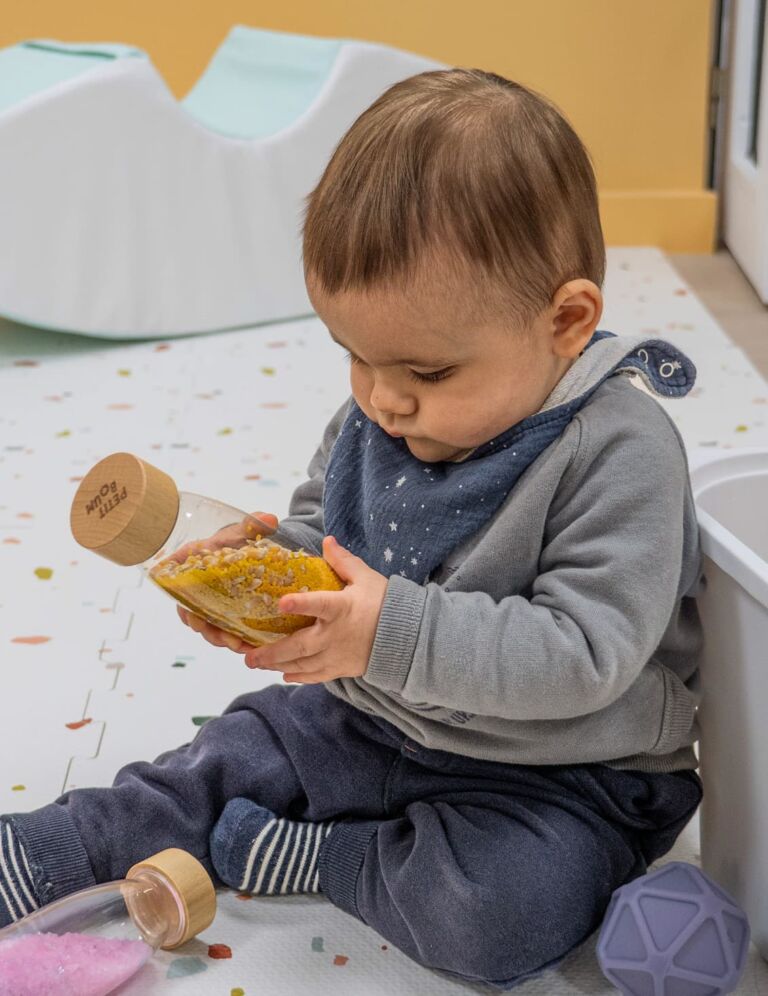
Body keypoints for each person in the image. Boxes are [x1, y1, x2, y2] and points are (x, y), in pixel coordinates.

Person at [0, 69, 703, 989]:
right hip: (364, 720)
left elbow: (583, 654)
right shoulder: (381, 408)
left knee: (504, 912)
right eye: (353, 356)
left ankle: (324, 859)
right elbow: (321, 535)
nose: (383, 397)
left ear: (566, 321)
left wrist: (386, 634)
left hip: (553, 776)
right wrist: (264, 580)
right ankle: (43, 854)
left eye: (426, 370)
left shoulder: (619, 452)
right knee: (215, 763)